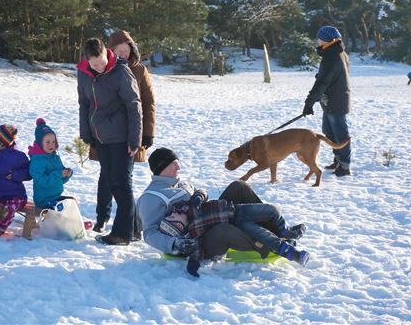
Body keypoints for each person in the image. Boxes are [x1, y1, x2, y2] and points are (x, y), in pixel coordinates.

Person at [137, 148, 309, 276]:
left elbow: (201, 193)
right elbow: (150, 233)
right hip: (194, 240)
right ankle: (267, 245)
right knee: (225, 229)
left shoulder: (179, 183)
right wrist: (176, 244)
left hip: (206, 218)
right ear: (162, 167)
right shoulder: (151, 197)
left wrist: (199, 197)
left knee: (238, 187)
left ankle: (275, 230)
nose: (179, 167)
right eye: (174, 163)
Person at [88, 30, 156, 238]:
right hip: (105, 134)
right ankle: (103, 218)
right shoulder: (103, 70)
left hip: (130, 134)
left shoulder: (139, 71)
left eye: (127, 51)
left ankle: (130, 228)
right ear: (111, 52)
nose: (124, 55)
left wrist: (147, 133)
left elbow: (147, 103)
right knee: (107, 178)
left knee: (122, 180)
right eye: (120, 51)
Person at [77, 37, 143, 245]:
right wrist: (86, 133)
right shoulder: (84, 73)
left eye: (102, 61)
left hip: (122, 137)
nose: (99, 66)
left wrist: (135, 139)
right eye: (94, 64)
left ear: (107, 53)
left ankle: (122, 234)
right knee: (111, 182)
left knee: (121, 185)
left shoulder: (120, 71)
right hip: (100, 137)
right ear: (87, 61)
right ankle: (133, 229)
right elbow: (84, 104)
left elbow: (134, 105)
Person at [161, 188, 309, 277]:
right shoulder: (192, 232)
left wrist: (199, 196)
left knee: (272, 209)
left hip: (236, 209)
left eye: (171, 215)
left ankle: (285, 230)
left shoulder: (185, 207)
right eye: (172, 218)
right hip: (234, 222)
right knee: (260, 233)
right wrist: (193, 264)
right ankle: (291, 253)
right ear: (179, 227)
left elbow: (201, 192)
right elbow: (196, 247)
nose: (172, 214)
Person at [302, 25, 351, 177]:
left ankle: (345, 166)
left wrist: (309, 103)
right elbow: (329, 78)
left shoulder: (332, 57)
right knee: (328, 132)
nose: (318, 41)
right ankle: (338, 159)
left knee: (340, 134)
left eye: (320, 39)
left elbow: (322, 83)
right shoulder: (337, 53)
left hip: (336, 101)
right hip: (330, 101)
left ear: (327, 40)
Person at [28, 118, 73, 209]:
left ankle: (74, 222)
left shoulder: (55, 157)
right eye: (47, 142)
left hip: (55, 197)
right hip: (44, 200)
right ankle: (63, 223)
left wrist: (67, 174)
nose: (51, 145)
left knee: (72, 203)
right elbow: (41, 181)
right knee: (62, 209)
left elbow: (60, 180)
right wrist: (58, 174)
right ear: (40, 143)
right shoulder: (37, 161)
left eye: (53, 142)